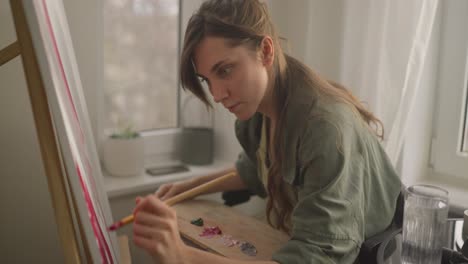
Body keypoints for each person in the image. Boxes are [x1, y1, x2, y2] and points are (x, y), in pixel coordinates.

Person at [132, 0, 402, 263]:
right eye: (207, 80)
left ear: (265, 51)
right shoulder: (257, 112)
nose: (216, 94)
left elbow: (316, 257)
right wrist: (186, 188)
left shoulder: (325, 130)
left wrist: (183, 256)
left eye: (225, 70)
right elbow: (253, 170)